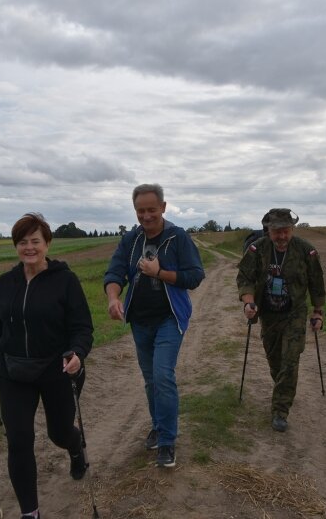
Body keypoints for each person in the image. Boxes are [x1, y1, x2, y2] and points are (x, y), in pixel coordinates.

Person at [0, 212, 94, 519]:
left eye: (35, 241)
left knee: (59, 433)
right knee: (19, 440)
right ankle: (31, 512)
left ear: (48, 244)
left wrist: (77, 353)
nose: (29, 247)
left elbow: (82, 327)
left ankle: (75, 447)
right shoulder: (4, 283)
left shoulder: (65, 281)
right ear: (16, 246)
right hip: (14, 373)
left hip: (58, 370)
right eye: (22, 242)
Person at [104, 184, 205, 468]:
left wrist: (159, 273)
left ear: (163, 207)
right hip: (140, 321)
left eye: (151, 209)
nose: (146, 216)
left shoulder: (177, 237)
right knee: (150, 380)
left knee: (162, 376)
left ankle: (168, 441)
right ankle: (159, 426)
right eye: (140, 210)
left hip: (169, 319)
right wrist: (113, 298)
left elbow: (195, 275)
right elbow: (115, 271)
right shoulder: (130, 240)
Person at [236, 208, 326, 432]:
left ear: (292, 229)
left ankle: (280, 410)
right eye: (277, 232)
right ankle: (283, 388)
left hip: (294, 313)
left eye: (286, 231)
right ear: (269, 230)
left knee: (290, 360)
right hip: (268, 314)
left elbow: (317, 283)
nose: (282, 237)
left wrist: (318, 312)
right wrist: (248, 302)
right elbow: (245, 277)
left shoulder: (306, 251)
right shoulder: (258, 249)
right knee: (275, 361)